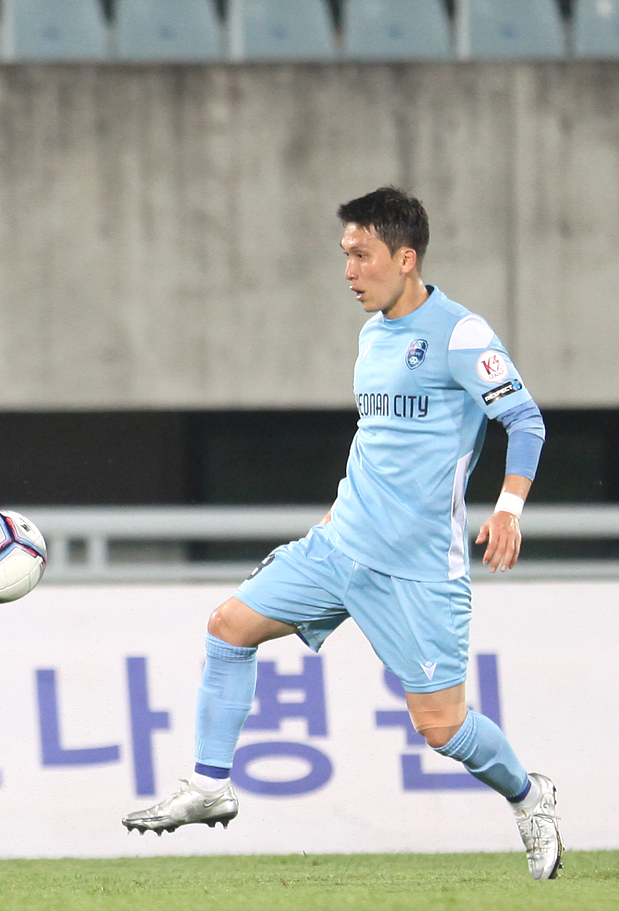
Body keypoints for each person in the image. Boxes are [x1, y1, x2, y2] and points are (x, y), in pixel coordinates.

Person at [122, 187, 561, 880]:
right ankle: (209, 784)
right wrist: (331, 520)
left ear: (406, 258)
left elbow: (525, 421)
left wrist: (508, 509)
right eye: (345, 255)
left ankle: (529, 796)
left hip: (417, 570)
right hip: (339, 547)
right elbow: (378, 444)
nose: (350, 271)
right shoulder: (372, 335)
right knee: (228, 627)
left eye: (363, 255)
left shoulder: (462, 334)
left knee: (443, 728)